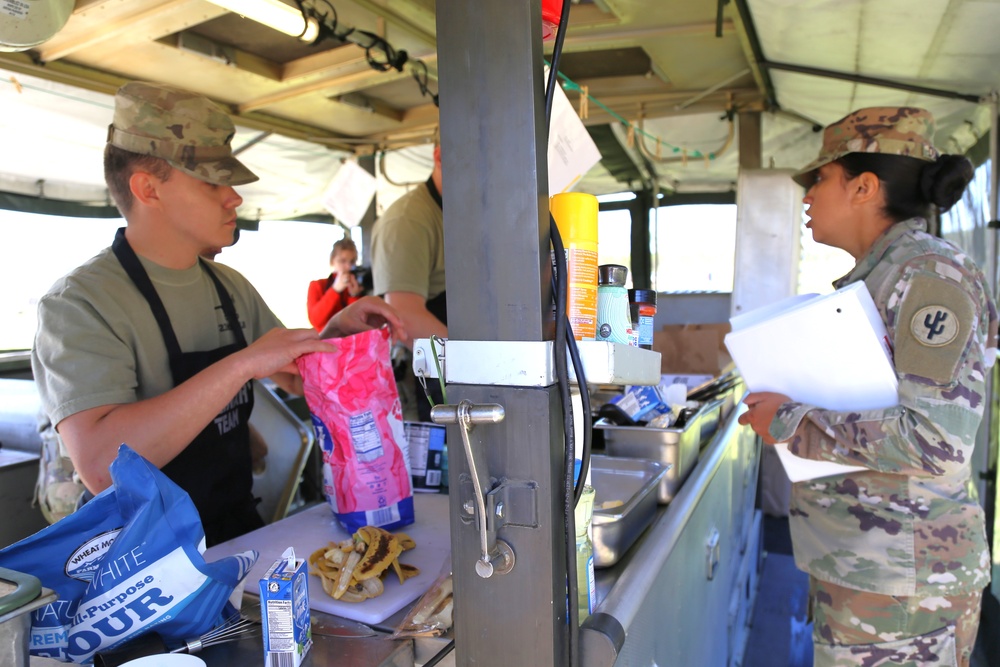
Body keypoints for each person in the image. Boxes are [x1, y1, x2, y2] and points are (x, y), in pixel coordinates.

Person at [31, 81, 404, 547]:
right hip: (141, 568)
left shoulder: (229, 286)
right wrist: (243, 364)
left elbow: (294, 377)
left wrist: (334, 338)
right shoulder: (80, 303)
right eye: (212, 181)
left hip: (237, 538)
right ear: (148, 189)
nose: (234, 198)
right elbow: (104, 467)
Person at [738, 107, 997, 667]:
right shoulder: (882, 276)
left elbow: (934, 439)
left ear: (863, 186)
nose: (807, 195)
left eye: (819, 179)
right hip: (872, 572)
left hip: (907, 586)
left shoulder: (928, 276)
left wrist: (789, 419)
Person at [371, 143, 446, 420]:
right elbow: (405, 316)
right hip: (428, 380)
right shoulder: (409, 220)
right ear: (439, 155)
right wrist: (473, 368)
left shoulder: (459, 214)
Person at [307, 237, 364, 331]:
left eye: (352, 261)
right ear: (332, 260)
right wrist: (335, 290)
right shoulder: (317, 285)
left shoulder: (355, 286)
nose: (348, 267)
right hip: (325, 342)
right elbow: (315, 320)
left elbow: (357, 323)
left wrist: (354, 295)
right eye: (343, 261)